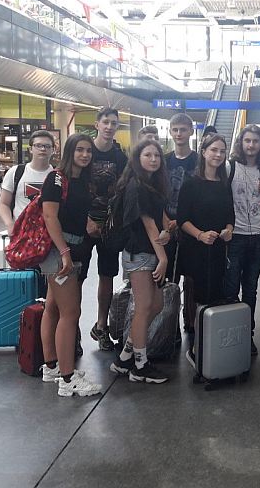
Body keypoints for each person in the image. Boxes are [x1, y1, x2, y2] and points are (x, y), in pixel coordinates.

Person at [38, 133, 102, 397]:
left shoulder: (80, 180)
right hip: (59, 251)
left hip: (70, 248)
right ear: (69, 152)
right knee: (70, 313)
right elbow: (49, 216)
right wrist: (64, 252)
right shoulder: (56, 178)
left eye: (88, 151)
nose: (85, 155)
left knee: (53, 307)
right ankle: (67, 379)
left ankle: (52, 366)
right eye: (80, 150)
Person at [108, 138, 171, 384]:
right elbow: (148, 224)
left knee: (155, 305)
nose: (153, 159)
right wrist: (163, 258)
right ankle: (140, 365)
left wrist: (168, 230)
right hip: (140, 254)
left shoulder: (152, 184)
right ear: (137, 158)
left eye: (157, 155)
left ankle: (125, 357)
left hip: (150, 251)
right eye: (148, 155)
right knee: (144, 307)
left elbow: (161, 218)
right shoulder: (136, 186)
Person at [81, 107, 129, 352]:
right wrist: (86, 219)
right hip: (84, 224)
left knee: (107, 275)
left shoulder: (120, 157)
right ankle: (71, 331)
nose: (110, 127)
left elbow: (124, 190)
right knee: (76, 277)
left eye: (114, 123)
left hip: (110, 226)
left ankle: (101, 326)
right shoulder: (85, 151)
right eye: (106, 122)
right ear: (97, 124)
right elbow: (74, 188)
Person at [177, 134, 235, 319]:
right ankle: (195, 333)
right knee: (197, 295)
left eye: (222, 151)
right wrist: (200, 235)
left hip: (218, 250)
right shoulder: (190, 184)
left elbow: (230, 214)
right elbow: (182, 219)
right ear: (203, 152)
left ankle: (212, 333)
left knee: (216, 295)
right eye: (214, 150)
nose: (218, 155)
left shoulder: (224, 184)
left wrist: (229, 230)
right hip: (195, 249)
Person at [225, 124, 260, 355]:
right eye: (247, 140)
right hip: (236, 235)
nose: (251, 145)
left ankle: (247, 335)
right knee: (232, 287)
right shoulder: (230, 167)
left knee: (251, 289)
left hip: (259, 236)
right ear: (241, 143)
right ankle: (231, 334)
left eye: (255, 141)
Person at [164, 113, 198, 336]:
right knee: (170, 277)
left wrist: (185, 221)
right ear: (170, 131)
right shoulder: (163, 161)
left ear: (191, 132)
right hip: (167, 226)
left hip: (192, 226)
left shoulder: (200, 161)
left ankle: (191, 321)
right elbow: (157, 194)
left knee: (192, 277)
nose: (179, 134)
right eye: (175, 129)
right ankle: (170, 325)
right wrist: (166, 221)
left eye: (183, 130)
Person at [0, 130, 55, 232]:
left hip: (50, 234)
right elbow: (3, 203)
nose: (43, 149)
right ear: (30, 149)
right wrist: (10, 224)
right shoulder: (16, 172)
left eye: (47, 146)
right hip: (22, 233)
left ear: (53, 150)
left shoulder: (57, 175)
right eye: (38, 145)